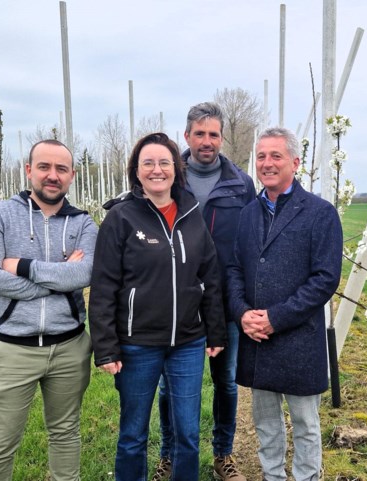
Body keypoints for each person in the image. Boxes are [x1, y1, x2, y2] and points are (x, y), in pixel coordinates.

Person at [88, 132, 226, 481]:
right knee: (133, 435)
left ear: (176, 169)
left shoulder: (192, 213)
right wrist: (106, 347)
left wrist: (215, 331)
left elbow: (209, 275)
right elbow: (104, 286)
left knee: (188, 433)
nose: (156, 170)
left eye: (164, 162)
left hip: (189, 344)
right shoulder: (120, 219)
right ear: (136, 172)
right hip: (137, 345)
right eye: (147, 163)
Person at [0, 139, 97, 481]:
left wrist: (21, 266)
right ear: (29, 170)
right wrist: (60, 274)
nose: (52, 176)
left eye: (61, 169)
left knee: (66, 434)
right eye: (44, 167)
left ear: (72, 175)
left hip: (70, 348)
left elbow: (84, 273)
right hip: (11, 349)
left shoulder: (84, 224)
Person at [226, 127, 343, 481]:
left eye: (275, 156)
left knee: (306, 424)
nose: (267, 163)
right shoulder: (248, 214)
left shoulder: (320, 213)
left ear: (295, 162)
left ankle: (308, 477)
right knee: (265, 423)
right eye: (261, 156)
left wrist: (275, 318)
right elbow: (233, 269)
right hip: (257, 338)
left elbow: (325, 279)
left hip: (298, 338)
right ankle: (272, 476)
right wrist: (242, 313)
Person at [153, 102, 255, 481]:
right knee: (170, 387)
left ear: (222, 138)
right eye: (200, 134)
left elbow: (248, 243)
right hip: (174, 302)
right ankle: (169, 454)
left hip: (224, 302)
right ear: (187, 136)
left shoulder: (240, 184)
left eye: (213, 134)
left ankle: (223, 454)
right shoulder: (168, 178)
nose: (207, 141)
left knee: (225, 382)